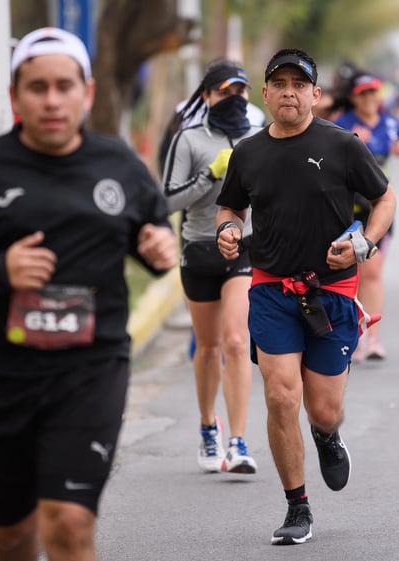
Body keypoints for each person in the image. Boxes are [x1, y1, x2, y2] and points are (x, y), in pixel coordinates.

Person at [0, 27, 177, 561]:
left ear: (87, 93)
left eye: (64, 86)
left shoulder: (117, 164)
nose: (52, 100)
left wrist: (160, 250)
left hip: (89, 370)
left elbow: (152, 236)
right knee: (11, 533)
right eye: (38, 87)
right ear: (15, 96)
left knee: (69, 523)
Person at [215, 48, 396, 545]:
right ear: (267, 93)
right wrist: (229, 229)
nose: (290, 92)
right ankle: (298, 505)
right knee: (279, 395)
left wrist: (364, 243)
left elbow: (384, 197)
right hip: (272, 287)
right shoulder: (248, 153)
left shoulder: (343, 145)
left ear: (315, 94)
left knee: (323, 408)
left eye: (300, 84)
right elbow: (229, 204)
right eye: (280, 83)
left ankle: (326, 434)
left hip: (332, 292)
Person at [161, 60, 261, 474]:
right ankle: (208, 427)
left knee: (237, 341)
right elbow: (167, 201)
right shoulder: (188, 139)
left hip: (245, 250)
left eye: (240, 92)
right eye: (224, 92)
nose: (232, 99)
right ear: (206, 96)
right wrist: (210, 174)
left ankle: (238, 442)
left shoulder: (260, 138)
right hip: (200, 251)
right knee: (209, 347)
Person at [334, 72, 399, 361]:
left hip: (380, 206)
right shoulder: (343, 124)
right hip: (349, 208)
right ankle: (353, 336)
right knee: (355, 273)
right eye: (363, 94)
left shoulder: (389, 121)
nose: (370, 99)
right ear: (354, 97)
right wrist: (353, 143)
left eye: (373, 93)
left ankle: (372, 337)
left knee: (373, 271)